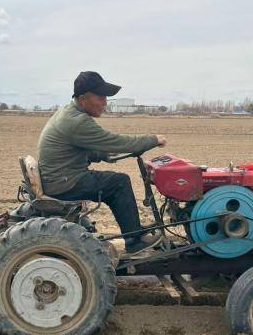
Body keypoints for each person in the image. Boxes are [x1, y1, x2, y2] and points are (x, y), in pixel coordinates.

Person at [37, 71, 167, 253]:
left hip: (59, 178)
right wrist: (152, 139)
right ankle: (134, 241)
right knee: (119, 183)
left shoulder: (69, 112)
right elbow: (116, 142)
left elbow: (82, 149)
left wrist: (104, 155)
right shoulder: (77, 121)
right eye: (100, 97)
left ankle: (134, 231)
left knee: (113, 183)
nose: (105, 102)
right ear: (83, 98)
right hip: (65, 183)